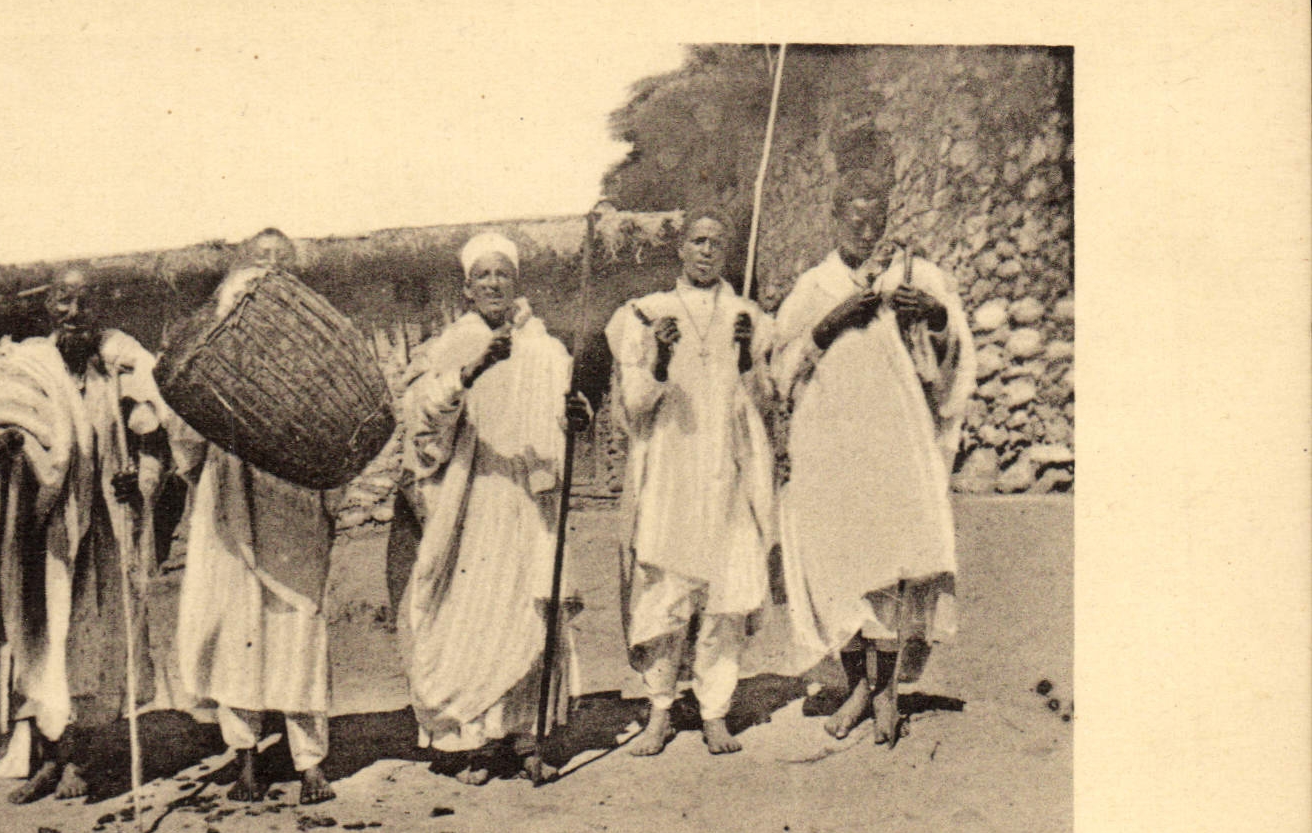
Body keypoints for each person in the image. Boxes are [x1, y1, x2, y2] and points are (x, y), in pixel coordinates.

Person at [771, 151, 976, 746]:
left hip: (894, 439)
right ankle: (858, 683)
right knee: (840, 563)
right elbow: (780, 372)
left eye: (875, 219)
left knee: (891, 562)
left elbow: (955, 351)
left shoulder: (916, 276)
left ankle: (883, 692)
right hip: (830, 443)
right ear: (835, 219)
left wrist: (934, 316)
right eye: (855, 220)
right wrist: (833, 321)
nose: (867, 230)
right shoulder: (813, 287)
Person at [0, 267, 174, 802]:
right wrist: (10, 449)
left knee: (91, 643)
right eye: (62, 301)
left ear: (99, 307)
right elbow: (0, 417)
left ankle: (80, 760)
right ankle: (50, 759)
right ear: (48, 306)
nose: (73, 313)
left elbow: (153, 435)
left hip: (102, 529)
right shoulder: (28, 366)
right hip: (43, 530)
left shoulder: (117, 366)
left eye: (83, 302)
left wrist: (140, 479)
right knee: (41, 640)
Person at [605, 209, 815, 757]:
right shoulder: (645, 314)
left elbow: (768, 401)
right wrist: (660, 356)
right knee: (666, 594)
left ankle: (715, 710)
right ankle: (659, 711)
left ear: (726, 252)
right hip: (672, 472)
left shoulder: (749, 317)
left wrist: (748, 355)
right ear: (680, 250)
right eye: (697, 241)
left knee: (725, 597)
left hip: (728, 471)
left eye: (716, 243)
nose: (706, 251)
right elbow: (632, 407)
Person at [402, 232, 591, 785]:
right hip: (471, 500)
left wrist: (576, 419)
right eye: (482, 277)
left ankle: (525, 736)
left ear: (515, 284)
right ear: (466, 289)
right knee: (471, 615)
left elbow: (566, 417)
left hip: (528, 501)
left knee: (527, 616)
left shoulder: (546, 349)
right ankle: (475, 742)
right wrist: (471, 371)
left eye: (501, 275)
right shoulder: (450, 346)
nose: (492, 285)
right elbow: (420, 418)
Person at [168, 228, 339, 805]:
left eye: (280, 264)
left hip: (291, 499)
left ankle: (310, 760)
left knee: (297, 620)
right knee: (237, 624)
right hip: (229, 499)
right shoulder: (214, 340)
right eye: (259, 262)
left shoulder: (315, 344)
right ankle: (245, 758)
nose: (268, 273)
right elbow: (185, 431)